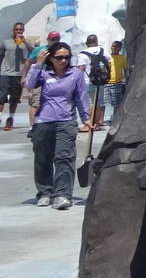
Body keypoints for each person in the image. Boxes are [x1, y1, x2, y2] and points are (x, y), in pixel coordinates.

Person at [25, 40, 87, 209]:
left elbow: (81, 97)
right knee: (42, 159)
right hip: (43, 121)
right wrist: (38, 63)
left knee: (64, 157)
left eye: (66, 57)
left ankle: (62, 194)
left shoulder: (75, 74)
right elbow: (29, 84)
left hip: (66, 121)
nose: (63, 61)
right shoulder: (44, 74)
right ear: (51, 58)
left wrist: (86, 118)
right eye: (59, 57)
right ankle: (45, 192)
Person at [75, 34, 110, 131]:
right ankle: (96, 124)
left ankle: (88, 125)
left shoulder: (82, 54)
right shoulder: (104, 51)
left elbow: (80, 69)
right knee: (98, 103)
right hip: (101, 81)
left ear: (87, 43)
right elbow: (109, 64)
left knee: (89, 103)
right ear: (97, 42)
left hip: (88, 81)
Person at [2, 23, 29, 131]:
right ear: (13, 30)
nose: (18, 31)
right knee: (1, 96)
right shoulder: (6, 42)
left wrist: (24, 41)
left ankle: (10, 119)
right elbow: (1, 56)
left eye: (20, 29)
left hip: (18, 74)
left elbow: (33, 52)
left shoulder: (27, 43)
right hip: (4, 73)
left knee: (14, 98)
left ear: (23, 30)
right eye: (17, 29)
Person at [102, 40, 129, 127]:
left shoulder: (122, 58)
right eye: (113, 46)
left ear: (120, 48)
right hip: (106, 83)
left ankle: (115, 119)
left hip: (117, 83)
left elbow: (125, 70)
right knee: (103, 102)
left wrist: (126, 80)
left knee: (116, 103)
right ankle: (100, 120)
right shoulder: (107, 57)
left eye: (116, 46)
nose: (114, 48)